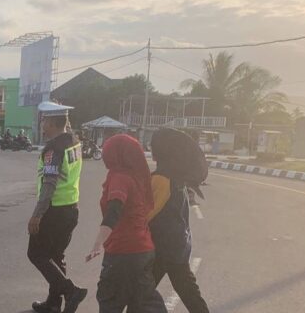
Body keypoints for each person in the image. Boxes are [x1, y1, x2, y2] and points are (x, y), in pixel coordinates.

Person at [86, 134, 167, 313]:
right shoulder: (137, 175)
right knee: (144, 303)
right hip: (143, 250)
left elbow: (114, 210)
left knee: (110, 301)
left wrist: (97, 244)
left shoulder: (119, 177)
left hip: (123, 251)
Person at [140, 128, 210, 313]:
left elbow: (146, 214)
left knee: (141, 293)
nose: (151, 149)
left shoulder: (160, 179)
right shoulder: (176, 179)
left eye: (153, 146)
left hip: (163, 248)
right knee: (188, 292)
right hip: (177, 246)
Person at [28, 101, 87, 313]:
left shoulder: (54, 148)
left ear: (52, 122)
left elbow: (49, 184)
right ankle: (53, 305)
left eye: (44, 120)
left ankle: (71, 291)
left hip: (54, 211)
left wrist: (37, 215)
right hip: (71, 208)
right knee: (56, 256)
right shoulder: (74, 141)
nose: (42, 125)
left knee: (36, 254)